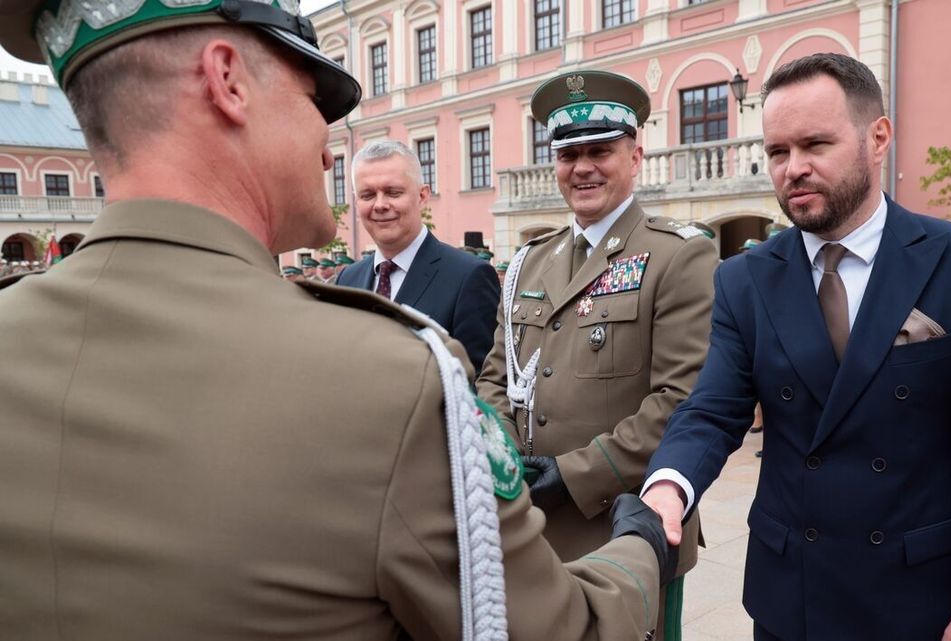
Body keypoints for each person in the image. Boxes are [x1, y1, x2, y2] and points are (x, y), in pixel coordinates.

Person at [0, 3, 674, 639]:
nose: (329, 152)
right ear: (227, 79)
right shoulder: (391, 379)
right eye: (313, 101)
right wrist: (641, 546)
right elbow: (555, 627)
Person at [641, 53, 951, 641]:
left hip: (918, 596)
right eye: (777, 152)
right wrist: (670, 483)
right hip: (791, 595)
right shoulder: (744, 278)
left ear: (877, 137)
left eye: (815, 145)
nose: (792, 168)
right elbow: (712, 409)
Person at [476, 69, 719, 641]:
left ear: (635, 156)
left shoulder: (678, 257)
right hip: (529, 528)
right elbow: (495, 375)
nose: (582, 167)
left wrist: (573, 474)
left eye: (600, 151)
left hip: (623, 532)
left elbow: (682, 401)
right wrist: (505, 458)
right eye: (568, 154)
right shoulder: (529, 261)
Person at [336, 140, 499, 372]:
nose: (380, 204)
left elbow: (482, 382)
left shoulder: (468, 276)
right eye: (367, 195)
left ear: (422, 196)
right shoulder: (347, 279)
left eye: (393, 192)